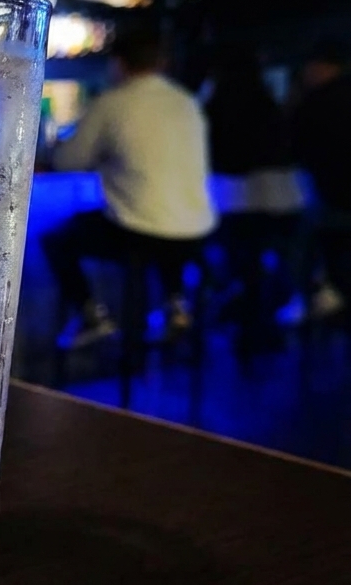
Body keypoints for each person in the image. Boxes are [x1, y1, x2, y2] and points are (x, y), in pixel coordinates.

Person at [41, 28, 217, 348]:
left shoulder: (113, 102)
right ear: (161, 62)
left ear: (118, 63)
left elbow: (69, 160)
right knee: (161, 217)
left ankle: (91, 317)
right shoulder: (186, 103)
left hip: (138, 235)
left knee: (56, 239)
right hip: (196, 233)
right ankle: (176, 305)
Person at [203, 45, 307, 345]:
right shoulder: (268, 102)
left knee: (240, 260)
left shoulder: (218, 105)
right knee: (259, 262)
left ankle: (243, 316)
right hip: (286, 201)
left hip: (240, 203)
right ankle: (263, 318)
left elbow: (222, 158)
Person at [287, 38, 351, 321]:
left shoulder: (315, 103)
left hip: (330, 194)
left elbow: (295, 147)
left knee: (316, 250)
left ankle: (322, 299)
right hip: (336, 193)